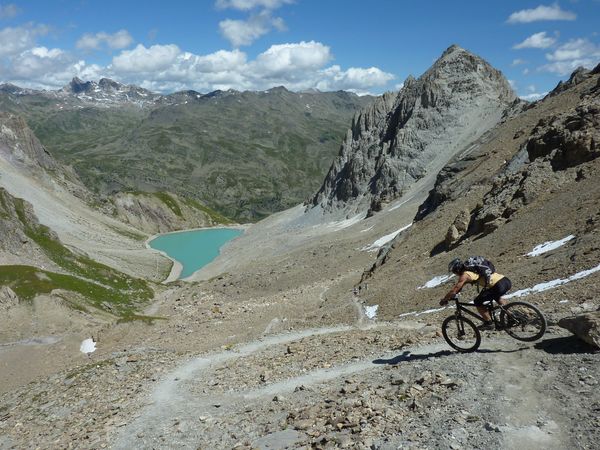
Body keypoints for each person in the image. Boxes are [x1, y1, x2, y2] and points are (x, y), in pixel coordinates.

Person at [439, 258, 512, 330]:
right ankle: (511, 316)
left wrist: (445, 299)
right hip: (505, 281)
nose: (455, 274)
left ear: (457, 269)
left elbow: (455, 289)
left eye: (454, 272)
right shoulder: (472, 270)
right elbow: (459, 288)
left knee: (477, 301)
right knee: (496, 297)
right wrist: (453, 294)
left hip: (498, 285)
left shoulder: (465, 275)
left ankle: (489, 323)